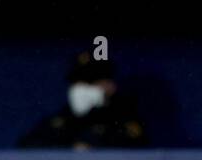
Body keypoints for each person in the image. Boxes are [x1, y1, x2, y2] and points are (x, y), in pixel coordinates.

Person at [19, 53, 148, 148]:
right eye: (77, 81)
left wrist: (92, 143)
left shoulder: (121, 118)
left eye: (90, 81)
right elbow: (26, 148)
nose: (81, 88)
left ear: (110, 85)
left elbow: (137, 146)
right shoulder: (60, 119)